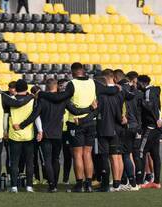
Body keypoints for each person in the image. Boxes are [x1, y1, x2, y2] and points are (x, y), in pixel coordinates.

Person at [37, 62, 121, 192]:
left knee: (77, 154)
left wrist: (42, 94)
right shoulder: (93, 83)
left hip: (75, 122)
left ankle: (79, 184)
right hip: (91, 122)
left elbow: (59, 98)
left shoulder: (72, 84)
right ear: (83, 71)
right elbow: (109, 90)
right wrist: (117, 88)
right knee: (87, 153)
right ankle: (88, 184)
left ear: (73, 72)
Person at [18, 78, 96, 192]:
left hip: (46, 134)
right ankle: (55, 183)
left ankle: (52, 186)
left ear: (46, 87)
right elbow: (76, 111)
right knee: (56, 159)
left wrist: (21, 125)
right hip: (58, 134)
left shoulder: (42, 99)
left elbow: (34, 115)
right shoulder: (63, 100)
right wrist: (90, 108)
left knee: (47, 160)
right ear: (57, 86)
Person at [137, 75, 162, 189]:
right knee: (155, 154)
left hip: (150, 127)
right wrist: (159, 118)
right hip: (156, 128)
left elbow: (150, 106)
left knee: (141, 151)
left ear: (143, 83)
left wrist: (156, 119)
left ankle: (140, 181)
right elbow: (158, 107)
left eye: (138, 83)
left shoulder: (148, 92)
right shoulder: (155, 91)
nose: (137, 85)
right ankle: (156, 181)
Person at [119, 71, 143, 189]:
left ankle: (130, 183)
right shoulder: (138, 93)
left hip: (127, 126)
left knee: (125, 155)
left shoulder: (122, 90)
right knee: (134, 155)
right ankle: (136, 182)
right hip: (136, 126)